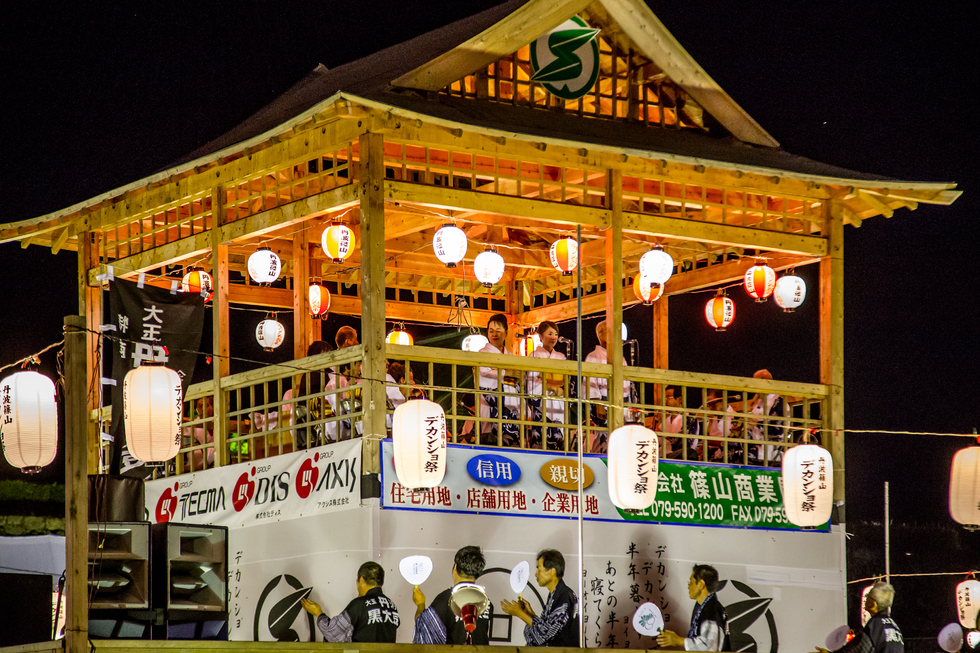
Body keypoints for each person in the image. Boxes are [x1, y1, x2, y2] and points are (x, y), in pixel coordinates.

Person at [300, 561, 399, 643]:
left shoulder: (360, 604)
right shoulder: (391, 606)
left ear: (361, 579)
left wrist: (318, 613)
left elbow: (333, 633)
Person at [413, 545, 493, 645]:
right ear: (478, 573)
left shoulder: (446, 599)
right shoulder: (486, 603)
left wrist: (420, 604)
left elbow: (423, 629)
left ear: (455, 567)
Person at [501, 549, 579, 647]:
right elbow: (542, 628)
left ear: (551, 571)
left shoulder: (564, 596)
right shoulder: (555, 595)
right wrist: (529, 613)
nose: (536, 574)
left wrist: (520, 613)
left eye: (539, 569)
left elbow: (544, 635)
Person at [656, 564, 730, 651]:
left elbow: (709, 646)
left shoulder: (711, 609)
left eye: (691, 583)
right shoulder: (706, 606)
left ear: (701, 584)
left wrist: (679, 640)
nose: (688, 587)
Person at [584, 319, 632, 452]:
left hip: (621, 403)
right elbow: (590, 382)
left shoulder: (621, 358)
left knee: (620, 439)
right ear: (601, 335)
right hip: (603, 402)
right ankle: (599, 462)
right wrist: (598, 404)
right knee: (604, 437)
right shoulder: (593, 356)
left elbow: (627, 384)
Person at [476, 314, 521, 447]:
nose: (494, 334)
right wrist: (506, 373)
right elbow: (484, 374)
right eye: (491, 331)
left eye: (499, 330)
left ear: (506, 333)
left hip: (511, 406)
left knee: (511, 444)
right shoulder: (482, 353)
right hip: (490, 405)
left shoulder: (511, 356)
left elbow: (516, 383)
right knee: (492, 441)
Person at [526, 321, 566, 450]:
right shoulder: (534, 355)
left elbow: (567, 381)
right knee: (541, 439)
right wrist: (551, 387)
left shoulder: (561, 357)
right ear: (541, 336)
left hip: (558, 404)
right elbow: (532, 382)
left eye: (555, 334)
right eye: (550, 333)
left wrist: (562, 390)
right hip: (542, 404)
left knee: (558, 440)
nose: (554, 337)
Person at [863, 582, 904, 652]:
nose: (865, 601)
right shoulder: (894, 626)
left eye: (868, 597)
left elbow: (859, 648)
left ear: (873, 603)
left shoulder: (875, 624)